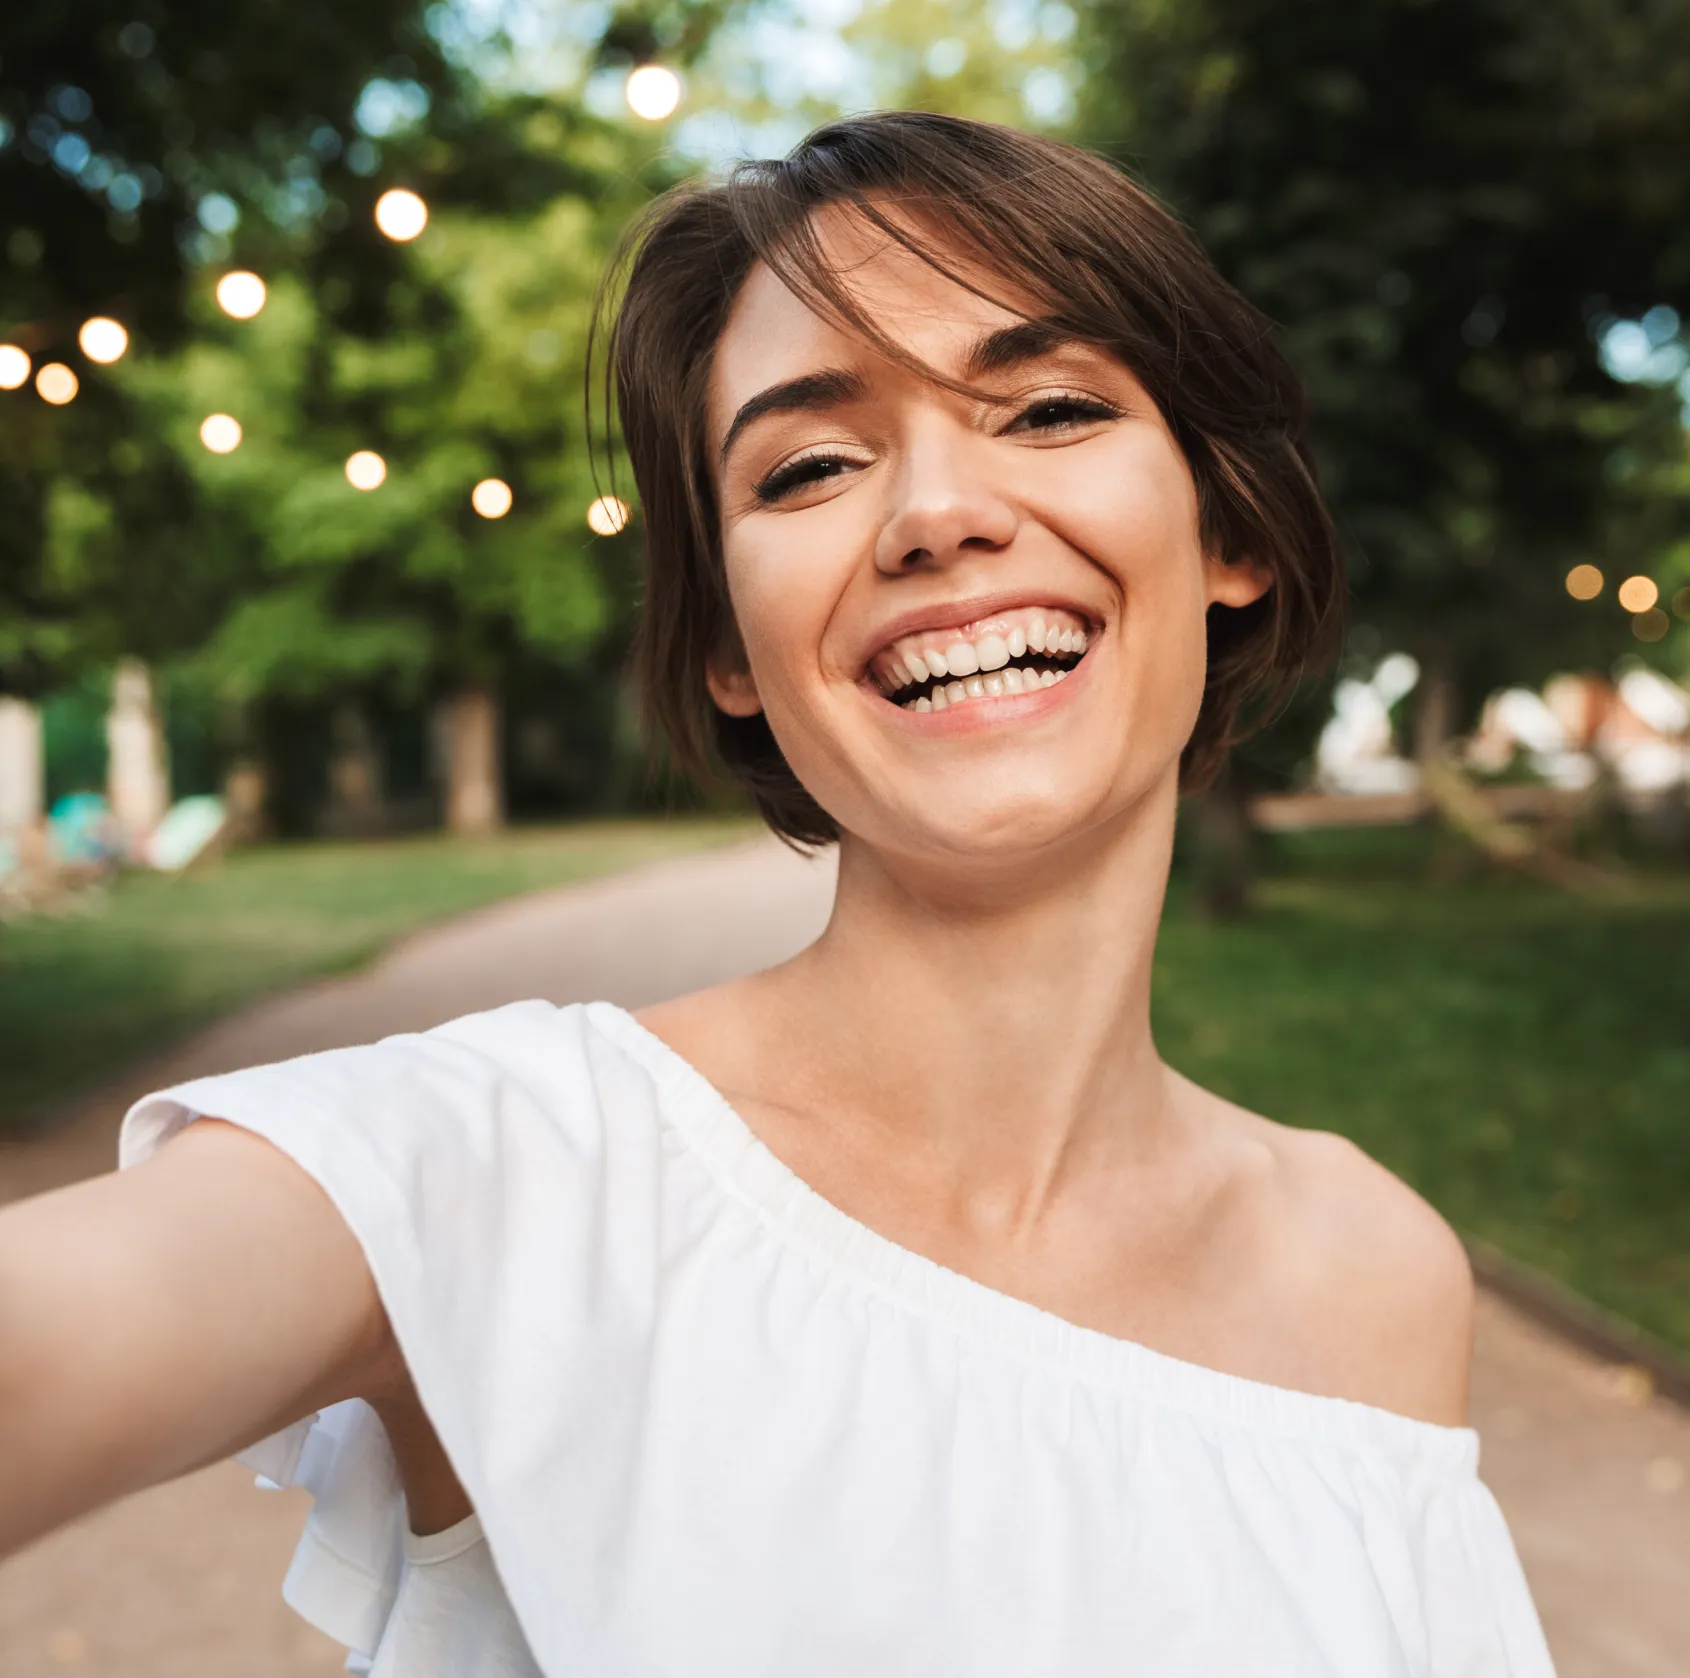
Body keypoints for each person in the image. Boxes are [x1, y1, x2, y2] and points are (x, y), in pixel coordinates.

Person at [0, 112, 1555, 1676]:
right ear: (726, 646)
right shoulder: (509, 1161)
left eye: (1051, 406)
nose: (937, 513)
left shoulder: (1373, 1270)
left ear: (1225, 529)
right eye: (809, 463)